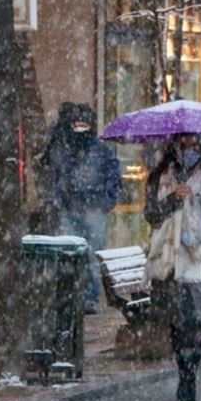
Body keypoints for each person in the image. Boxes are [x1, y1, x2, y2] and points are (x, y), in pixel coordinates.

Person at [143, 133, 201, 401]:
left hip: (200, 255)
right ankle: (183, 368)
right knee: (178, 322)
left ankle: (190, 374)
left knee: (195, 320)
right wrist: (173, 199)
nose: (188, 149)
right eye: (183, 144)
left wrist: (196, 201)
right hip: (169, 256)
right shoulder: (161, 173)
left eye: (193, 144)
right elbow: (152, 213)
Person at [43, 102, 121, 314]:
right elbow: (58, 174)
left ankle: (90, 296)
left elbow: (113, 178)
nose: (80, 129)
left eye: (83, 125)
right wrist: (62, 198)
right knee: (72, 254)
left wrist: (105, 202)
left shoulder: (101, 151)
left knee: (93, 256)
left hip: (94, 210)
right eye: (77, 124)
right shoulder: (69, 149)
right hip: (72, 208)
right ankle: (75, 296)